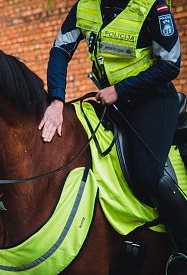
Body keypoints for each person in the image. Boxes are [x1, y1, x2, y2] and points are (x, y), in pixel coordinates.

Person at [39, 0, 187, 257]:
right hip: (108, 103)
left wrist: (121, 90)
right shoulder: (85, 7)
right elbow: (61, 49)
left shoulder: (152, 6)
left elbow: (171, 63)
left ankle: (180, 249)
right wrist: (56, 100)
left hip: (151, 101)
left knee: (147, 175)